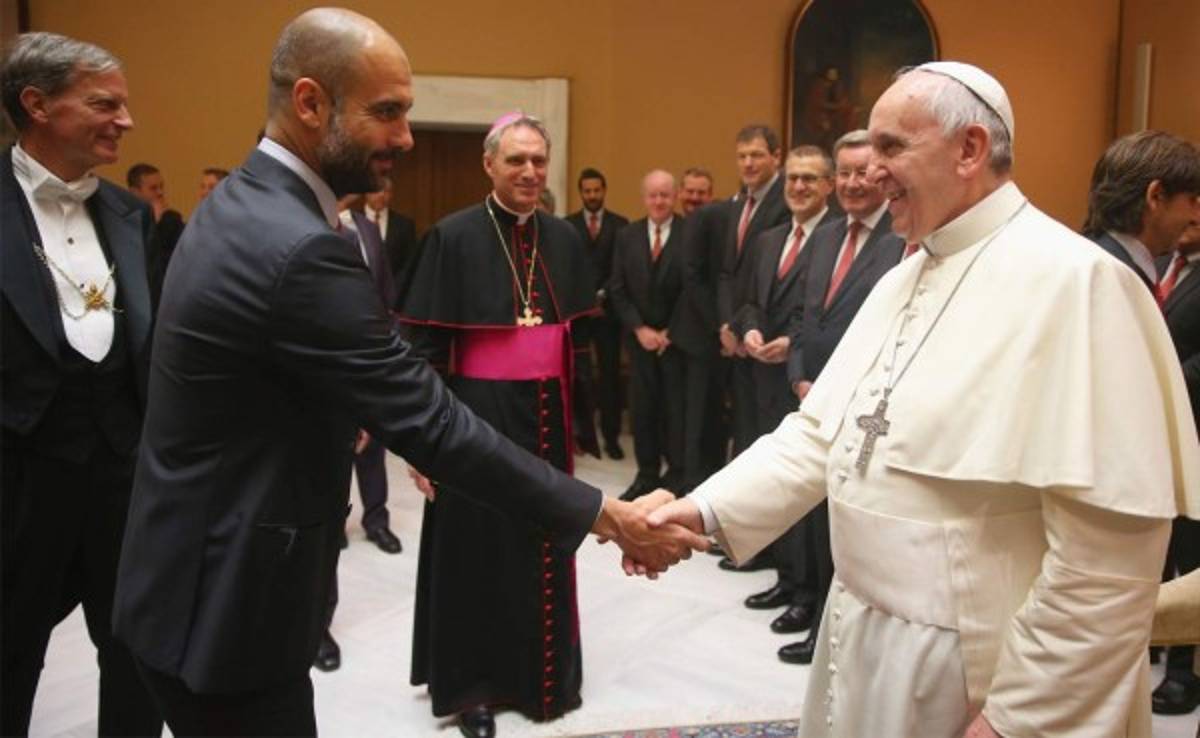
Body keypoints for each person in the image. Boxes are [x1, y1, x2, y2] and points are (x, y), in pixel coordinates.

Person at [111, 11, 701, 736]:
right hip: (228, 599)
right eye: (386, 112)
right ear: (310, 102)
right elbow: (428, 417)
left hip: (188, 574)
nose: (406, 137)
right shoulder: (300, 245)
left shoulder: (242, 200)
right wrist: (609, 517)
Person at [646, 61, 1200, 737]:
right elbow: (818, 437)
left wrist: (1017, 718)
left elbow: (1108, 555)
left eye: (890, 147)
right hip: (862, 638)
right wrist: (698, 513)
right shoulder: (904, 277)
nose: (870, 171)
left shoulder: (1079, 284)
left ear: (969, 149)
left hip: (977, 674)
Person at [399, 112, 616, 738]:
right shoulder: (451, 237)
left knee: (543, 544)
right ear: (489, 164)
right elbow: (420, 350)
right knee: (475, 553)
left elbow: (572, 342)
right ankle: (473, 691)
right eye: (516, 160)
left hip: (545, 420)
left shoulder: (564, 239)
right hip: (471, 422)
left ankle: (540, 678)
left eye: (538, 161)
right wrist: (422, 444)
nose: (528, 172)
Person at [0, 32, 162, 736]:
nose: (124, 120)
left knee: (136, 655)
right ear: (37, 104)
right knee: (9, 655)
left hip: (122, 479)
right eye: (104, 104)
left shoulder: (129, 214)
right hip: (18, 480)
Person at [775, 131, 903, 664]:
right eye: (844, 172)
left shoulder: (900, 242)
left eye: (861, 173)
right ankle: (805, 596)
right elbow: (806, 319)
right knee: (807, 507)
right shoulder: (825, 237)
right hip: (814, 397)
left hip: (865, 407)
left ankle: (833, 630)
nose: (853, 183)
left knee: (844, 523)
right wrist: (800, 377)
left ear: (881, 176)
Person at [729, 144, 839, 640]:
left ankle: (807, 593)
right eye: (793, 178)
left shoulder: (837, 242)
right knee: (771, 481)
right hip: (758, 378)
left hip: (805, 381)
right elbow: (751, 300)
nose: (798, 187)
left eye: (809, 180)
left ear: (828, 186)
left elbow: (820, 317)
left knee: (803, 492)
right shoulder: (770, 238)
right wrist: (750, 330)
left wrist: (788, 344)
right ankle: (786, 575)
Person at [609, 170, 685, 500]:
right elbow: (617, 288)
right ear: (644, 197)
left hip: (676, 343)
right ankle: (647, 474)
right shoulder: (627, 235)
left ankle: (676, 475)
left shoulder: (689, 233)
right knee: (643, 411)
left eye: (665, 195)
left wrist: (673, 330)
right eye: (652, 195)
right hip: (639, 342)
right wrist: (640, 329)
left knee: (675, 411)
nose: (658, 201)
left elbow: (693, 289)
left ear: (675, 196)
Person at [718, 124, 789, 459]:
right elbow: (727, 271)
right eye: (742, 156)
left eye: (756, 155)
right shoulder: (739, 203)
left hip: (767, 334)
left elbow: (770, 277)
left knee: (766, 436)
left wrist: (746, 327)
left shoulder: (786, 201)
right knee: (743, 428)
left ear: (777, 157)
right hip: (737, 332)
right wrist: (727, 325)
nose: (748, 163)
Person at [1153, 221, 1200, 714]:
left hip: (1193, 429)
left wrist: (1157, 381)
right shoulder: (1158, 264)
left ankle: (1183, 672)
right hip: (1151, 438)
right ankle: (1150, 643)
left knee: (1190, 548)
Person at [1084, 130, 1200, 295]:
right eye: (1192, 199)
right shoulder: (1109, 280)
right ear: (1156, 195)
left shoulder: (1095, 261)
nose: (1195, 216)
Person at [566, 167, 629, 460]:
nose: (592, 195)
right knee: (579, 376)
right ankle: (580, 434)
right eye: (587, 191)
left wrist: (602, 294)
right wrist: (584, 298)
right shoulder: (567, 225)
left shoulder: (621, 225)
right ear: (581, 193)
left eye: (596, 190)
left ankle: (612, 437)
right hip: (578, 314)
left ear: (604, 190)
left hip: (609, 312)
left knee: (609, 376)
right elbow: (567, 268)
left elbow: (622, 268)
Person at [128, 161, 185, 310]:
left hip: (167, 298)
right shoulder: (124, 223)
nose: (160, 193)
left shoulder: (172, 219)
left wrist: (159, 223)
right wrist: (153, 223)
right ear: (135, 192)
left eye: (161, 187)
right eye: (153, 188)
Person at [361, 178, 418, 303]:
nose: (381, 195)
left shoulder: (404, 225)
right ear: (366, 193)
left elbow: (410, 263)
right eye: (376, 191)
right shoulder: (351, 221)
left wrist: (394, 290)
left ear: (391, 195)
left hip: (393, 296)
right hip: (359, 292)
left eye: (386, 191)